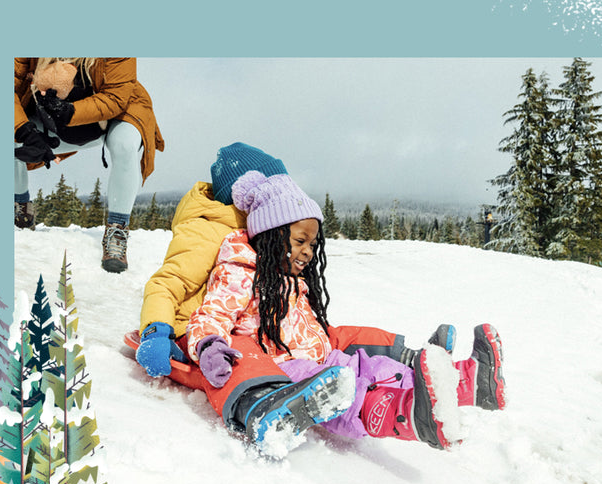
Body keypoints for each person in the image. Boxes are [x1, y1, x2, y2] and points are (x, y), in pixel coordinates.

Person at [185, 170, 506, 457]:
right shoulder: (241, 271)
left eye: (312, 244)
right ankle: (412, 417)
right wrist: (209, 344)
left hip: (319, 359)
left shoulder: (293, 280)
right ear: (270, 235)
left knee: (374, 366)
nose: (308, 252)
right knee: (352, 390)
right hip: (284, 370)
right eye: (300, 241)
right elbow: (212, 313)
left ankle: (466, 380)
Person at [136, 142, 455, 385]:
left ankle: (413, 357)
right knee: (259, 355)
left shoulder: (263, 233)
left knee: (337, 336)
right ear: (241, 193)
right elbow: (167, 284)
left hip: (255, 322)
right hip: (207, 334)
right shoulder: (208, 232)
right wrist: (157, 331)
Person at [14, 57, 164, 273]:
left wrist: (69, 112)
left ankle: (117, 228)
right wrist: (24, 131)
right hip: (51, 116)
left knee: (125, 147)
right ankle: (21, 212)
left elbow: (115, 98)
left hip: (116, 113)